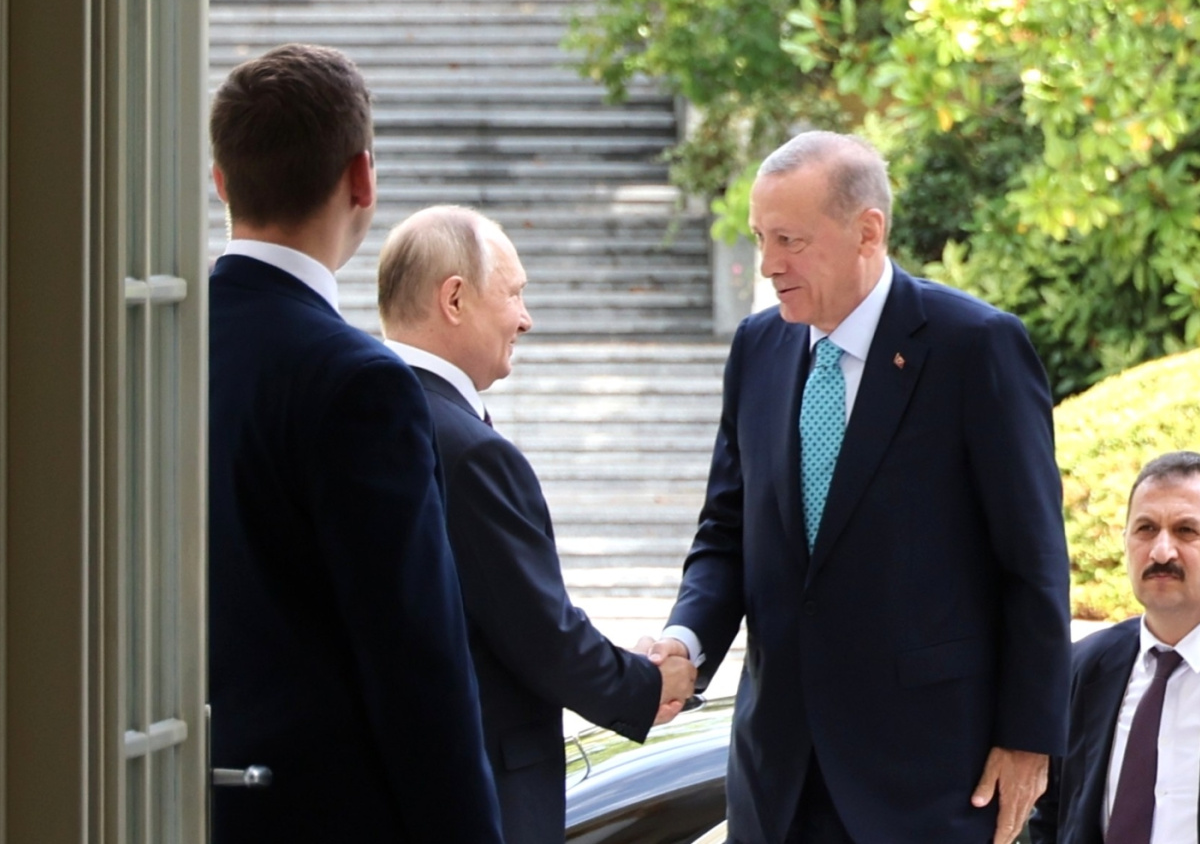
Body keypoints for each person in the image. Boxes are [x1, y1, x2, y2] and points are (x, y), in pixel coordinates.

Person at [638, 130, 1072, 843]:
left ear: (868, 230)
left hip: (929, 781)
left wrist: (1028, 739)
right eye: (761, 238)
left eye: (790, 240)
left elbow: (1033, 562)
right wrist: (685, 640)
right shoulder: (757, 348)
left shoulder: (974, 347)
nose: (768, 264)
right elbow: (727, 533)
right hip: (776, 780)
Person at [208, 46, 502, 843]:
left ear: (222, 181)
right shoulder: (359, 382)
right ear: (362, 178)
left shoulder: (153, 345)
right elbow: (418, 666)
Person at [376, 204, 698, 844]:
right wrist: (646, 684)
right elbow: (538, 631)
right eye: (514, 294)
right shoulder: (468, 450)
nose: (525, 318)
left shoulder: (368, 412)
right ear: (455, 300)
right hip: (481, 791)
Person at [1029, 451, 1200, 844]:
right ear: (1125, 541)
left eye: (1187, 530)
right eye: (1146, 529)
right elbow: (1051, 814)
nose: (1161, 552)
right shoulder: (1083, 668)